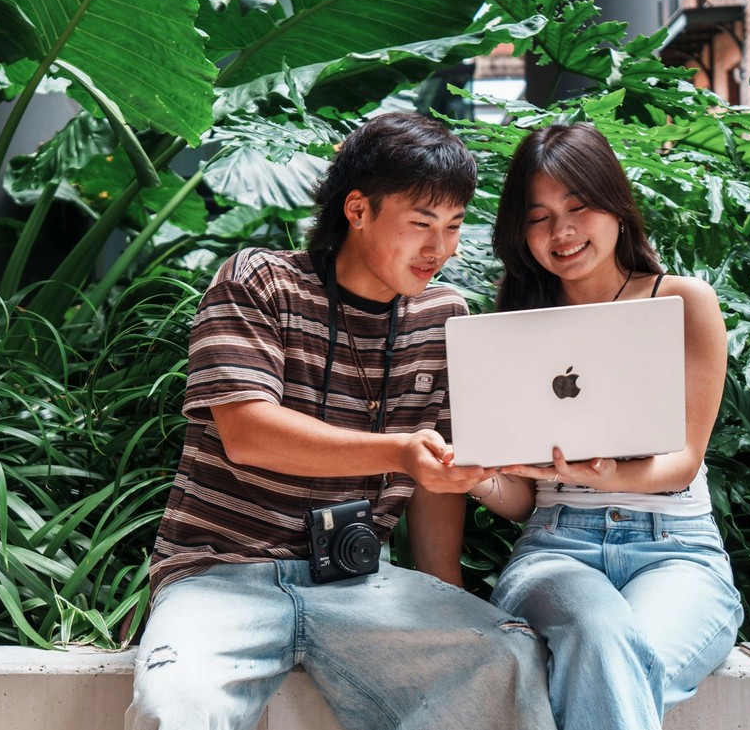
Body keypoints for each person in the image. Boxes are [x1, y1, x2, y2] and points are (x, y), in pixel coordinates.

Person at [124, 112, 554, 730]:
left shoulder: (446, 316)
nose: (440, 249)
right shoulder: (260, 282)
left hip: (359, 583)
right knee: (178, 708)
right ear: (358, 209)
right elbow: (249, 433)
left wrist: (446, 597)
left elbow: (436, 483)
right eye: (420, 224)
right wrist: (400, 452)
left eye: (455, 227)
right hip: (219, 573)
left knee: (507, 657)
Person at [469, 122, 744, 730]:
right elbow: (520, 497)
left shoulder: (683, 302)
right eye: (538, 217)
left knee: (614, 656)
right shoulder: (515, 324)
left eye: (578, 206)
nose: (560, 232)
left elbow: (683, 465)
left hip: (677, 555)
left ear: (616, 205)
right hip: (556, 550)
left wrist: (612, 474)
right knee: (598, 634)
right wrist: (479, 479)